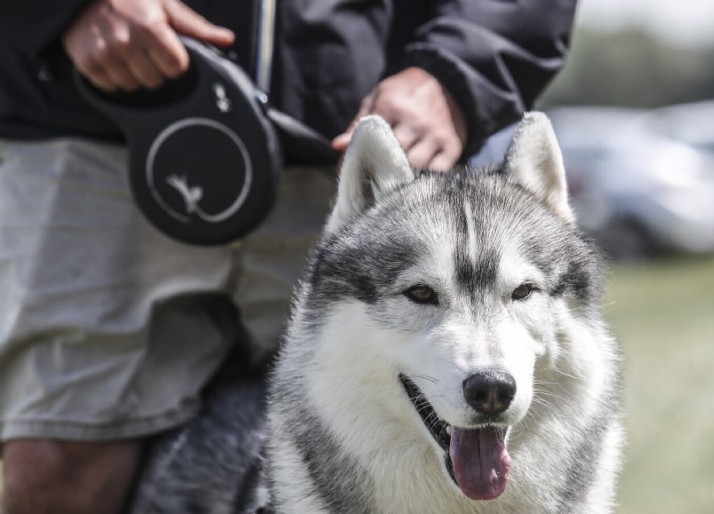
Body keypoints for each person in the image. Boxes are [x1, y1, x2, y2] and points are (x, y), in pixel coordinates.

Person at [0, 0, 578, 512]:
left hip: (367, 159)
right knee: (54, 469)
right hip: (99, 131)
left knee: (429, 460)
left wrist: (452, 74)